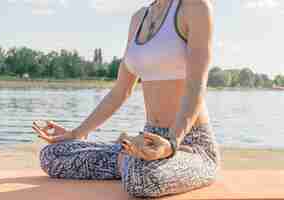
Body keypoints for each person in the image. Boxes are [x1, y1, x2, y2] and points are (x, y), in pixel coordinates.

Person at [32, 0, 221, 198]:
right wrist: (77, 133)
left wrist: (172, 143)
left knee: (141, 177)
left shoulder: (195, 7)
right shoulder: (139, 17)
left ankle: (127, 156)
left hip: (190, 143)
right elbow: (120, 91)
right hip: (147, 139)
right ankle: (127, 155)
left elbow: (196, 87)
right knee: (52, 155)